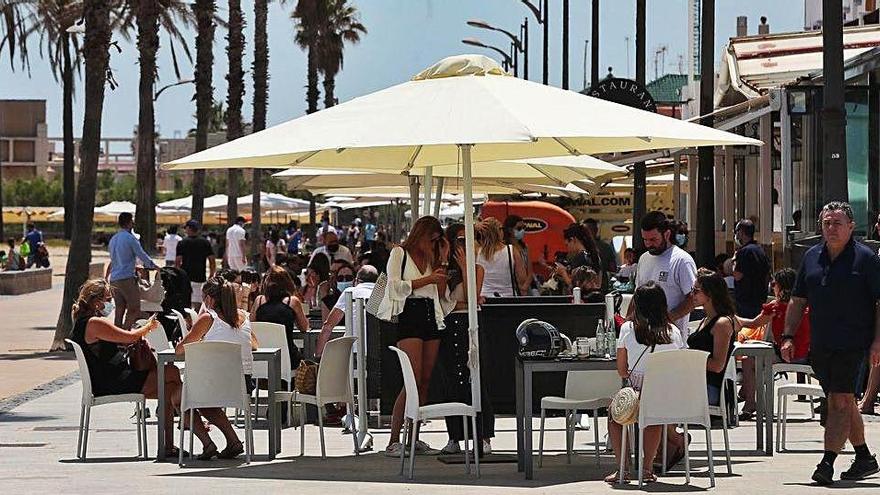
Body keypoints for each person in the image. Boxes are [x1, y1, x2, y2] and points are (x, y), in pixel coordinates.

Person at [782, 201, 880, 485]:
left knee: (838, 401)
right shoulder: (811, 257)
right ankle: (864, 456)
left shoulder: (866, 259)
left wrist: (877, 341)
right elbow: (798, 299)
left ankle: (827, 463)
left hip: (853, 342)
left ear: (851, 227)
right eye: (826, 223)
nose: (831, 228)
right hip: (821, 343)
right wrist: (788, 335)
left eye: (837, 223)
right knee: (843, 399)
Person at [70, 278, 194, 457]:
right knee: (172, 373)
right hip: (113, 381)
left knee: (170, 386)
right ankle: (189, 419)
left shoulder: (84, 323)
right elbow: (129, 337)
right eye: (107, 299)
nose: (110, 304)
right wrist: (148, 327)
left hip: (110, 377)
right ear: (96, 303)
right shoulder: (94, 323)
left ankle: (171, 442)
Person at [379, 216, 449, 457]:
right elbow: (394, 287)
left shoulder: (433, 259)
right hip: (409, 314)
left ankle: (414, 437)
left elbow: (440, 293)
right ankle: (394, 439)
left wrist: (443, 258)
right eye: (432, 240)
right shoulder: (400, 253)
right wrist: (428, 279)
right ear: (422, 235)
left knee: (425, 380)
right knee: (412, 379)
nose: (434, 244)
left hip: (431, 313)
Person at [606, 282, 685, 483]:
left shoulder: (627, 329)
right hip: (669, 397)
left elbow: (622, 371)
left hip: (639, 394)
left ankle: (622, 469)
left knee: (614, 415)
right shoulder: (673, 332)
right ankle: (647, 468)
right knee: (653, 418)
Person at [175, 276, 257, 459]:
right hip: (242, 384)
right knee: (204, 399)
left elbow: (180, 349)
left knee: (178, 397)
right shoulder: (243, 316)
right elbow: (254, 345)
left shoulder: (208, 318)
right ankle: (233, 441)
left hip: (216, 383)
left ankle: (207, 443)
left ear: (209, 299)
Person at [438, 223, 495, 456]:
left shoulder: (476, 269)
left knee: (476, 378)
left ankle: (482, 435)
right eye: (458, 240)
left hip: (469, 326)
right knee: (451, 380)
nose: (463, 245)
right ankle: (454, 435)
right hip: (449, 326)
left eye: (467, 240)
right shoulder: (441, 270)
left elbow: (471, 299)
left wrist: (464, 268)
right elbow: (442, 303)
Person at [735, 268, 810, 419]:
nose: (772, 286)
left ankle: (750, 402)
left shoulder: (775, 308)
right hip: (808, 355)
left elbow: (753, 323)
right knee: (757, 362)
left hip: (784, 353)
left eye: (774, 283)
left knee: (748, 360)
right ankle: (746, 394)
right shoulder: (807, 305)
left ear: (780, 286)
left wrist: (734, 318)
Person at [632, 211, 697, 341]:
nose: (648, 244)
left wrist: (666, 319)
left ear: (666, 234)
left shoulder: (682, 260)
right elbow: (637, 294)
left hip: (672, 339)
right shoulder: (644, 259)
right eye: (645, 240)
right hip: (643, 339)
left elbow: (693, 298)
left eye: (653, 239)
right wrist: (628, 321)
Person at [106, 212, 159, 330]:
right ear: (130, 222)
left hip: (114, 279)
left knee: (119, 309)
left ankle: (116, 335)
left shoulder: (113, 239)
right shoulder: (130, 239)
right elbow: (142, 255)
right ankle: (125, 334)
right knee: (134, 308)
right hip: (126, 278)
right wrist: (154, 266)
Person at [251, 266, 309, 371]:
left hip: (262, 358)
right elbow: (304, 328)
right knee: (307, 360)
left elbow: (252, 327)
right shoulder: (292, 302)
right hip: (288, 358)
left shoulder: (258, 301)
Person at [315, 265, 379, 358]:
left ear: (356, 280)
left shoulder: (350, 292)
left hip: (353, 351)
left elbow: (328, 326)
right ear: (377, 281)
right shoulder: (385, 294)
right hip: (380, 352)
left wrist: (318, 356)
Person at [732, 219, 771, 318]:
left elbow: (737, 275)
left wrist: (734, 260)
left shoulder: (743, 252)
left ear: (741, 232)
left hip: (745, 302)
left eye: (737, 232)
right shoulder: (760, 251)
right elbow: (767, 274)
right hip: (759, 299)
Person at [476, 217, 524, 298]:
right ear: (498, 231)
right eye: (501, 228)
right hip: (508, 297)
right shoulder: (511, 250)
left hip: (484, 297)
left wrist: (476, 227)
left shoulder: (476, 251)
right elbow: (522, 279)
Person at [551, 223, 603, 295]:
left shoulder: (581, 258)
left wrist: (563, 272)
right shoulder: (594, 255)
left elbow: (576, 286)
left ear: (573, 239)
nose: (567, 248)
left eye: (567, 245)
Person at [175, 219, 216, 310]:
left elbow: (178, 261)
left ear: (189, 228)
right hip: (199, 276)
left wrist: (178, 275)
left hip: (185, 276)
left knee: (185, 302)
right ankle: (197, 320)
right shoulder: (205, 242)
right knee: (198, 303)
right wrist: (211, 274)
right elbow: (212, 260)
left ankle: (187, 321)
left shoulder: (182, 242)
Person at [503, 215, 537, 295]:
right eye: (518, 228)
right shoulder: (505, 248)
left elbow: (530, 271)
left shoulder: (525, 247)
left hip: (525, 288)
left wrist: (525, 287)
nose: (522, 231)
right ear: (509, 230)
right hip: (510, 288)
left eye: (523, 228)